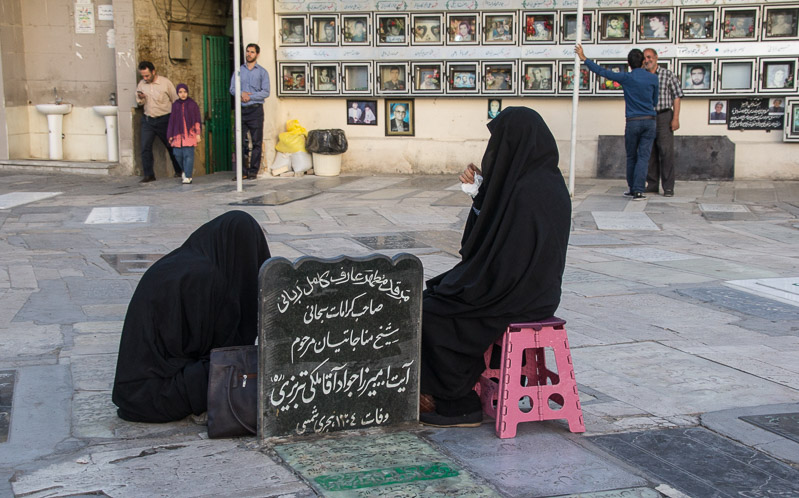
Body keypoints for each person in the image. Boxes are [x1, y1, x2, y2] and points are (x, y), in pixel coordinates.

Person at [418, 107, 571, 427]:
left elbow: (477, 248)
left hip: (517, 291)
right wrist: (481, 194)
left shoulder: (526, 191)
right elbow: (487, 246)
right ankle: (451, 389)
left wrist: (482, 198)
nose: (493, 152)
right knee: (437, 292)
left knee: (434, 312)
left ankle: (457, 401)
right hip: (528, 287)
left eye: (499, 143)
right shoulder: (542, 180)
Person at [112, 211, 271, 423]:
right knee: (246, 369)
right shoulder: (205, 278)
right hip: (155, 393)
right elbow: (223, 355)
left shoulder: (188, 261)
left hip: (134, 388)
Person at [577, 45, 658, 200]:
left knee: (631, 156)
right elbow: (655, 100)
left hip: (633, 121)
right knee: (643, 156)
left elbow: (603, 72)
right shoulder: (653, 78)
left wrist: (585, 59)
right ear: (642, 62)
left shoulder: (627, 77)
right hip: (649, 120)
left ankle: (632, 188)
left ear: (629, 64)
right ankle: (639, 189)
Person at [644, 48, 683, 197]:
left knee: (666, 153)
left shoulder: (667, 75)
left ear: (656, 58)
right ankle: (652, 184)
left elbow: (677, 97)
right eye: (645, 58)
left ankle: (668, 187)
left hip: (664, 116)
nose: (647, 60)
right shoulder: (643, 76)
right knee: (650, 153)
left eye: (649, 57)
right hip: (648, 117)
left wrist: (676, 118)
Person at [135, 61, 182, 183]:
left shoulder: (165, 83)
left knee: (171, 146)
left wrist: (176, 119)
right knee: (145, 147)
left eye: (147, 75)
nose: (145, 78)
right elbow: (139, 103)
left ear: (153, 72)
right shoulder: (141, 84)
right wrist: (141, 99)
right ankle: (149, 175)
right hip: (148, 119)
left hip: (164, 119)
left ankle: (179, 171)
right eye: (143, 76)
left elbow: (175, 100)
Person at [229, 43, 270, 180]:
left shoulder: (262, 72)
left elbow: (265, 92)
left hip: (255, 110)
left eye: (252, 52)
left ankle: (253, 171)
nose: (249, 54)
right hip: (242, 110)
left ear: (257, 54)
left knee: (256, 141)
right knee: (239, 141)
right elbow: (233, 88)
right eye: (247, 51)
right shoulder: (239, 70)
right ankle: (242, 171)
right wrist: (241, 94)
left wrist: (249, 96)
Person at [167, 83, 202, 185]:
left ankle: (188, 176)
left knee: (188, 155)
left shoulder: (192, 104)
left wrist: (198, 134)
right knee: (177, 154)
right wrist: (170, 135)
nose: (183, 94)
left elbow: (197, 120)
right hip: (177, 135)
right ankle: (185, 171)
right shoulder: (175, 105)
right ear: (177, 93)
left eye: (185, 92)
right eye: (180, 92)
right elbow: (172, 120)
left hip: (190, 134)